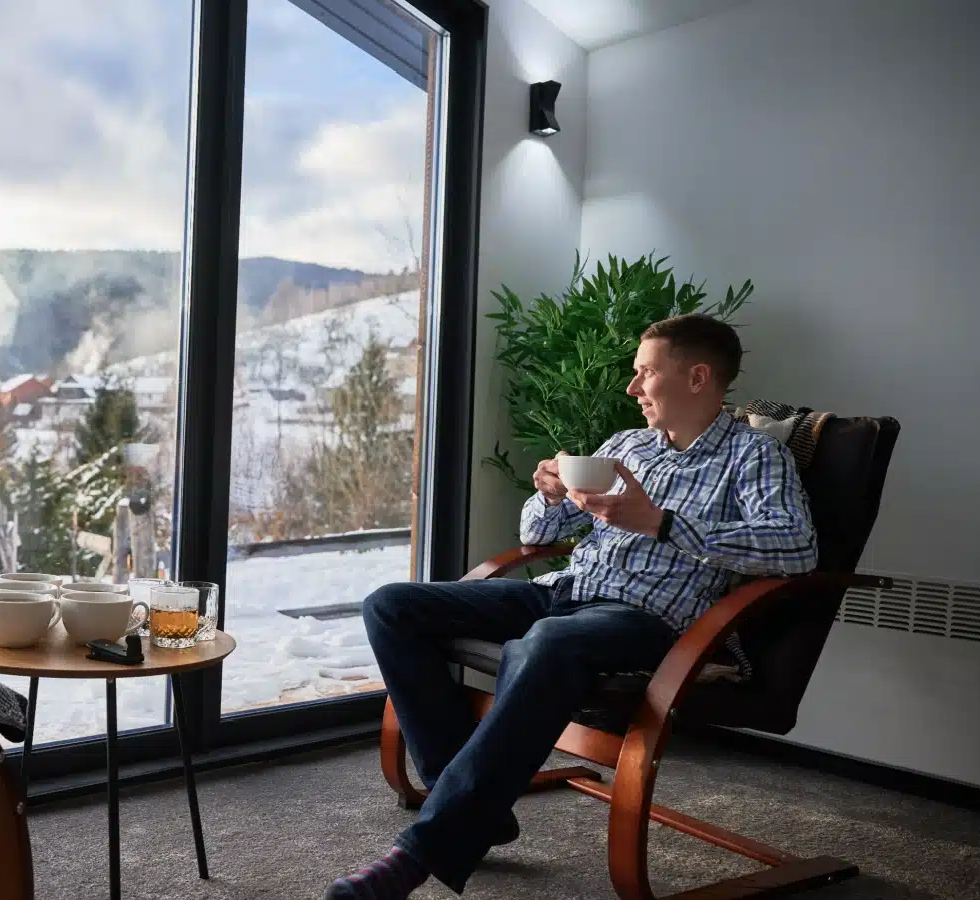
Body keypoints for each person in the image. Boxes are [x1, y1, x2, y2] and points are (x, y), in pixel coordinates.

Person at [325, 313, 817, 899]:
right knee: (391, 606)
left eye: (645, 373)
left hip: (645, 617)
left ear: (697, 377)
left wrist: (663, 524)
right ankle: (465, 799)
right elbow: (537, 531)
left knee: (547, 644)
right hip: (563, 591)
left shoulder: (753, 457)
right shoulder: (627, 446)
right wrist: (550, 493)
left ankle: (422, 852)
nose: (632, 389)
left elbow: (796, 547)